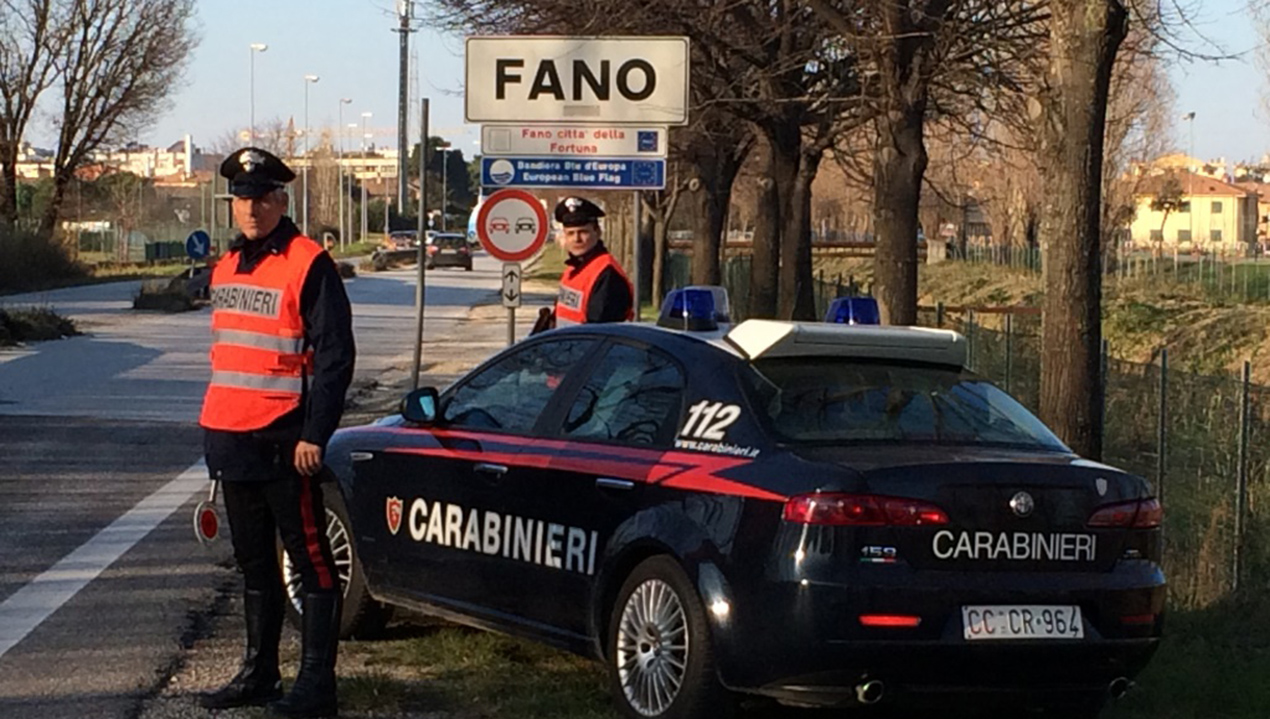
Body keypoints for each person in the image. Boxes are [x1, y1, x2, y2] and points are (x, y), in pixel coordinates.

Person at [199, 147, 355, 719]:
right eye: (241, 199)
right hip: (231, 437)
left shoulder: (307, 261)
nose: (250, 208)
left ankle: (317, 685)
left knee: (311, 561)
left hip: (286, 441)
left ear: (281, 201)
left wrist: (316, 433)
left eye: (261, 198)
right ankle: (259, 672)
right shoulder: (226, 264)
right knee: (254, 565)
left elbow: (336, 355)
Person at [536, 196, 633, 332]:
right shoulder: (573, 269)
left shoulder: (607, 274)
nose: (577, 239)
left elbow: (599, 333)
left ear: (597, 232)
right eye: (570, 233)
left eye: (583, 232)